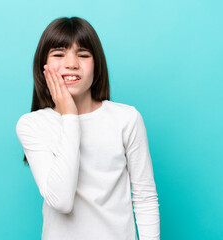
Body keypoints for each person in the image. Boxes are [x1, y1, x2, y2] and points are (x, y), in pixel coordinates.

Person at [16, 16, 160, 240]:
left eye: (83, 55)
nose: (71, 63)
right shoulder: (32, 125)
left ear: (97, 65)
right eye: (58, 54)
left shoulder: (126, 118)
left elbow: (145, 197)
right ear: (42, 66)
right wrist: (70, 116)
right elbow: (61, 201)